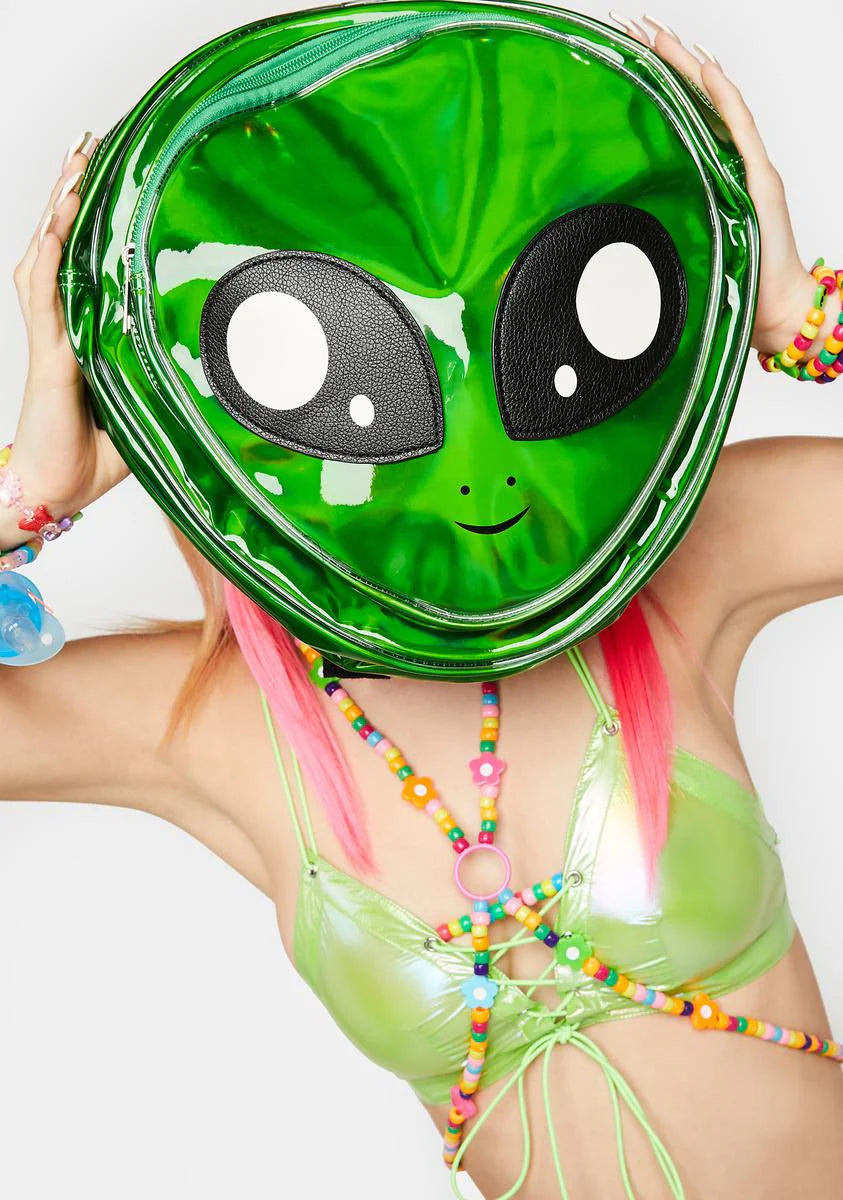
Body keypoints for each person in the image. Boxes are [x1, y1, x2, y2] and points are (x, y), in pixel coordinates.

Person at [4, 11, 843, 1198]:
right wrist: (31, 492)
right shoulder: (209, 724)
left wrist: (804, 316)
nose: (471, 471)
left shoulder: (682, 570)